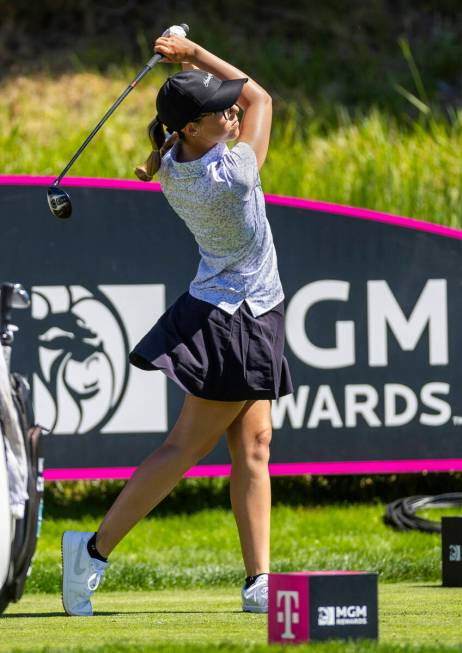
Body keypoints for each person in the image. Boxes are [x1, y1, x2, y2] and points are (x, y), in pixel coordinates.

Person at [61, 33, 293, 617]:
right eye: (220, 110)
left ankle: (258, 581)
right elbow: (263, 96)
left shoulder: (173, 160)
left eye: (227, 103)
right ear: (192, 128)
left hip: (254, 310)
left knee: (255, 447)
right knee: (185, 448)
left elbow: (242, 101)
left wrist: (192, 74)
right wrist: (193, 56)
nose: (233, 110)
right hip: (231, 317)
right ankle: (91, 551)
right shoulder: (231, 174)